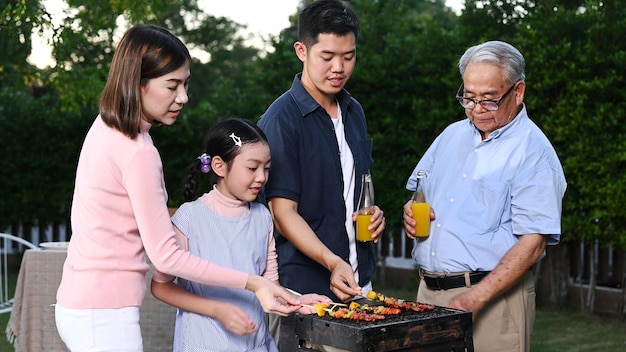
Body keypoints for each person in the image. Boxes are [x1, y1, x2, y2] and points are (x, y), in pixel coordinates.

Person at [55, 24, 301, 352]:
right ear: (137, 83)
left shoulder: (106, 128)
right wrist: (251, 282)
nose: (183, 97)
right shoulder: (137, 152)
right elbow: (167, 259)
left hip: (85, 304)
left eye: (185, 85)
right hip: (102, 312)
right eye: (172, 86)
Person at [403, 40, 567, 352]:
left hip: (492, 301)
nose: (476, 109)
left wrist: (476, 297)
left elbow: (533, 244)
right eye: (468, 98)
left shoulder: (533, 152)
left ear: (517, 92)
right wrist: (411, 209)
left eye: (489, 100)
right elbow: (419, 193)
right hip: (429, 295)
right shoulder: (451, 135)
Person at [257, 0, 385, 350]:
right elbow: (283, 215)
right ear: (302, 50)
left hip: (360, 286)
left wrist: (373, 214)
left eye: (348, 56)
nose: (339, 67)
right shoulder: (281, 120)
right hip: (304, 292)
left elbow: (354, 191)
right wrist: (332, 261)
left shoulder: (354, 110)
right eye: (327, 56)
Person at [150, 118, 330, 351]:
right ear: (219, 166)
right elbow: (160, 286)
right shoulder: (189, 218)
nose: (262, 177)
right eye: (252, 168)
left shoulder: (262, 216)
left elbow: (269, 285)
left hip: (255, 343)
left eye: (266, 168)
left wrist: (298, 302)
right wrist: (217, 309)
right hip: (203, 343)